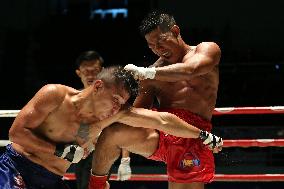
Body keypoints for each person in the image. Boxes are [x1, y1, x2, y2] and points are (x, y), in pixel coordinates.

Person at [89, 10, 222, 189]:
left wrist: (149, 73)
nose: (158, 49)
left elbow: (191, 69)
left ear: (175, 31)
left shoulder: (205, 49)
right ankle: (96, 185)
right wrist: (124, 157)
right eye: (151, 46)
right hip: (161, 132)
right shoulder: (150, 73)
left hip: (193, 134)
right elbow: (136, 116)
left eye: (160, 41)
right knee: (112, 132)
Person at [0, 66, 138, 189]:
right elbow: (16, 133)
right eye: (115, 99)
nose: (116, 109)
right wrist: (60, 151)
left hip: (52, 180)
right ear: (98, 86)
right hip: (17, 166)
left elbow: (76, 147)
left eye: (120, 104)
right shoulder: (55, 95)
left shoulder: (90, 124)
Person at [74, 51, 132, 189]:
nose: (90, 75)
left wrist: (125, 159)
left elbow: (122, 125)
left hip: (103, 151)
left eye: (94, 70)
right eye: (86, 71)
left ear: (101, 71)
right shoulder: (73, 97)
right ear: (78, 72)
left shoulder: (113, 98)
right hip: (80, 152)